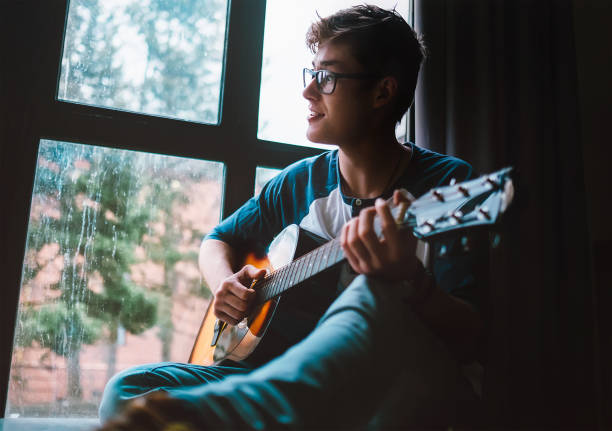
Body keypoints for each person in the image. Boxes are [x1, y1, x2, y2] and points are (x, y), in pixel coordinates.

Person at [98, 5, 483, 430]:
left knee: (375, 292)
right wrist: (224, 285)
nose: (308, 92)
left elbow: (470, 339)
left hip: (386, 390)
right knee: (128, 392)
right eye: (312, 73)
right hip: (269, 374)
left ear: (382, 92)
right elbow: (216, 240)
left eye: (329, 77)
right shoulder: (299, 181)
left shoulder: (449, 186)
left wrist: (409, 277)